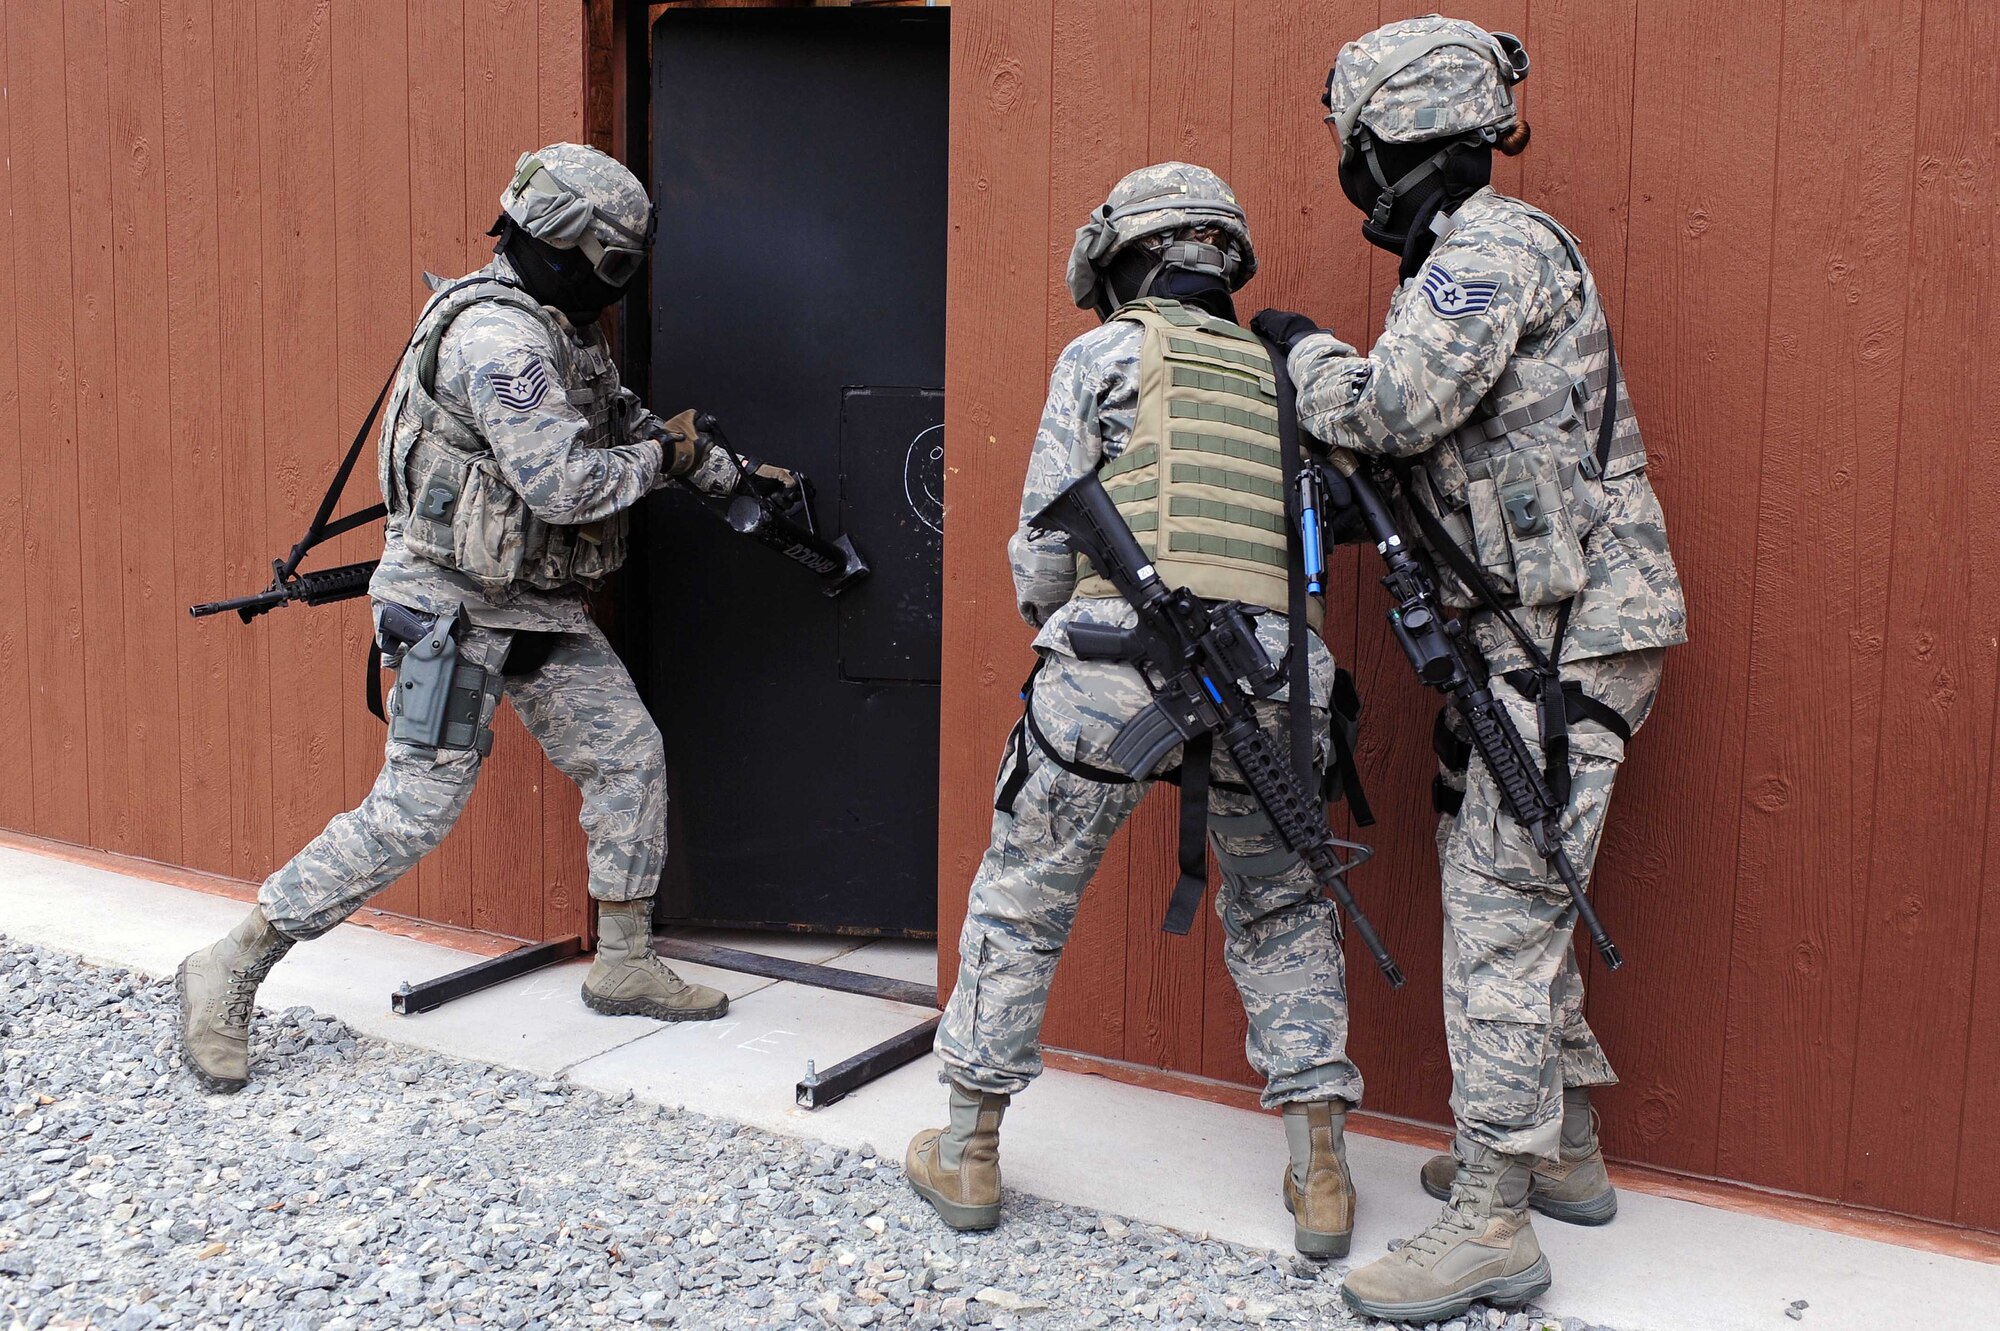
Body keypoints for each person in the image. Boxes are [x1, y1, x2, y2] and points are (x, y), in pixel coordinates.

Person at [179, 142, 787, 1093]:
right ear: (562, 242)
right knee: (415, 810)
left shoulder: (558, 329)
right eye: (611, 263)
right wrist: (667, 466)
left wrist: (723, 474)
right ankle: (231, 964)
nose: (615, 286)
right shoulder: (498, 343)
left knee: (628, 755)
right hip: (449, 612)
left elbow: (621, 420)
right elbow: (569, 483)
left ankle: (623, 958)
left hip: (533, 604)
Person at [1260, 17, 1688, 1321]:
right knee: (1520, 894)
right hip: (1540, 640)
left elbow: (1388, 408)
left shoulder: (1487, 253)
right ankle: (1554, 1147)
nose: (1353, 172)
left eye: (1360, 146)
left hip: (1560, 644)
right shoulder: (1477, 253)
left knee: (1500, 923)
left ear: (1401, 138)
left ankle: (1492, 1220)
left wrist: (1302, 350)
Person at [906, 162, 1367, 1259]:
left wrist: (1073, 607)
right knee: (1282, 909)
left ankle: (968, 1146)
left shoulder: (1103, 353)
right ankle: (1321, 1172)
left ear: (1121, 259)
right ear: (1223, 260)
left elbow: (1045, 553)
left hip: (1112, 668)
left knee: (1025, 895)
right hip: (1268, 681)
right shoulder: (1285, 372)